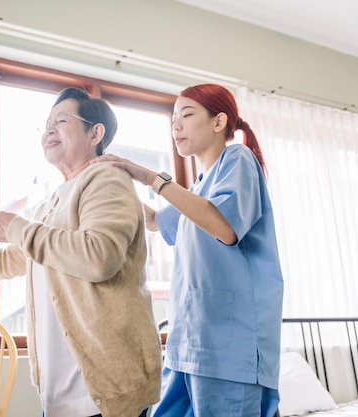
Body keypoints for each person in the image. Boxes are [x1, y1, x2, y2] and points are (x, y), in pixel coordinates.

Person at [0, 87, 162, 417]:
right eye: (47, 123)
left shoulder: (107, 179)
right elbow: (10, 260)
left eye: (62, 120)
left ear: (96, 133)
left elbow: (100, 258)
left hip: (106, 392)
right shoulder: (52, 203)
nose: (49, 129)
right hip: (58, 397)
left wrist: (16, 228)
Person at [93, 83, 284, 417]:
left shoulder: (238, 159)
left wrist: (153, 178)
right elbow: (153, 221)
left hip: (230, 347)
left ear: (219, 121)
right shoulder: (196, 187)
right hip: (189, 340)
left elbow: (224, 227)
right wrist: (109, 179)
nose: (176, 125)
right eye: (172, 119)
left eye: (187, 114)